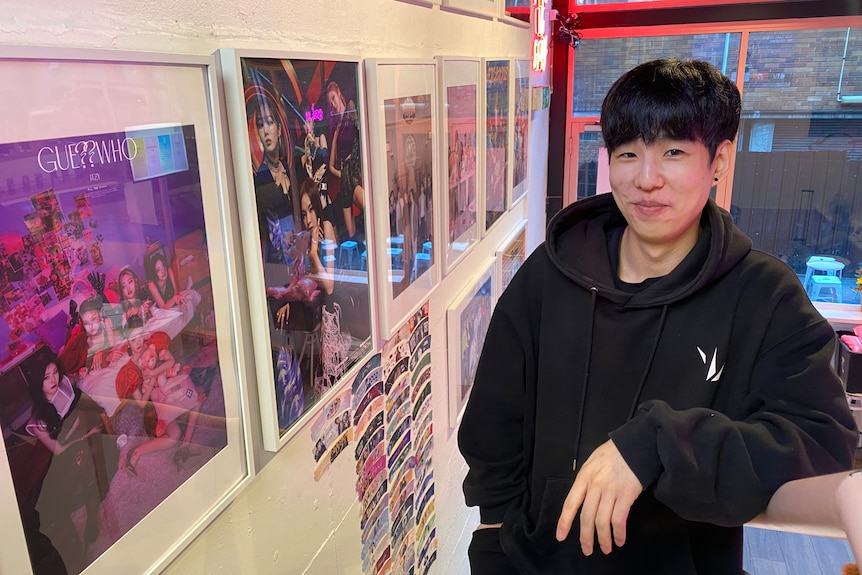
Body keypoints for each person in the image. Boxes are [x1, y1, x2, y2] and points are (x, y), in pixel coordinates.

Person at [458, 58, 859, 575]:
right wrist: (492, 545)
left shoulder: (764, 296)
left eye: (673, 152)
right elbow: (495, 427)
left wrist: (660, 443)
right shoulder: (552, 274)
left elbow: (822, 443)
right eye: (627, 154)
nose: (646, 179)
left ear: (719, 161)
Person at [24, 349, 117, 570]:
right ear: (38, 383)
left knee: (100, 458)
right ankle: (91, 512)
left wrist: (90, 425)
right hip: (69, 453)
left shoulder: (65, 386)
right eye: (46, 377)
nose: (53, 380)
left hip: (88, 438)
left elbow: (85, 405)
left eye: (55, 373)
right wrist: (81, 433)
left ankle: (93, 510)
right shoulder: (38, 420)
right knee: (69, 487)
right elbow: (58, 449)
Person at [248, 87, 302, 264]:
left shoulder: (288, 167)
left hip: (299, 250)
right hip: (279, 259)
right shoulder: (261, 179)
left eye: (269, 122)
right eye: (261, 125)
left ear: (279, 130)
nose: (265, 131)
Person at [326, 81, 365, 240]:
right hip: (346, 177)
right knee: (351, 235)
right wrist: (344, 174)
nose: (333, 105)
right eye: (330, 103)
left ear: (339, 93)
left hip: (354, 175)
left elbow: (362, 139)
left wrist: (354, 170)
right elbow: (330, 165)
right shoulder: (337, 128)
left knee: (371, 214)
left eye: (333, 98)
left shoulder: (351, 109)